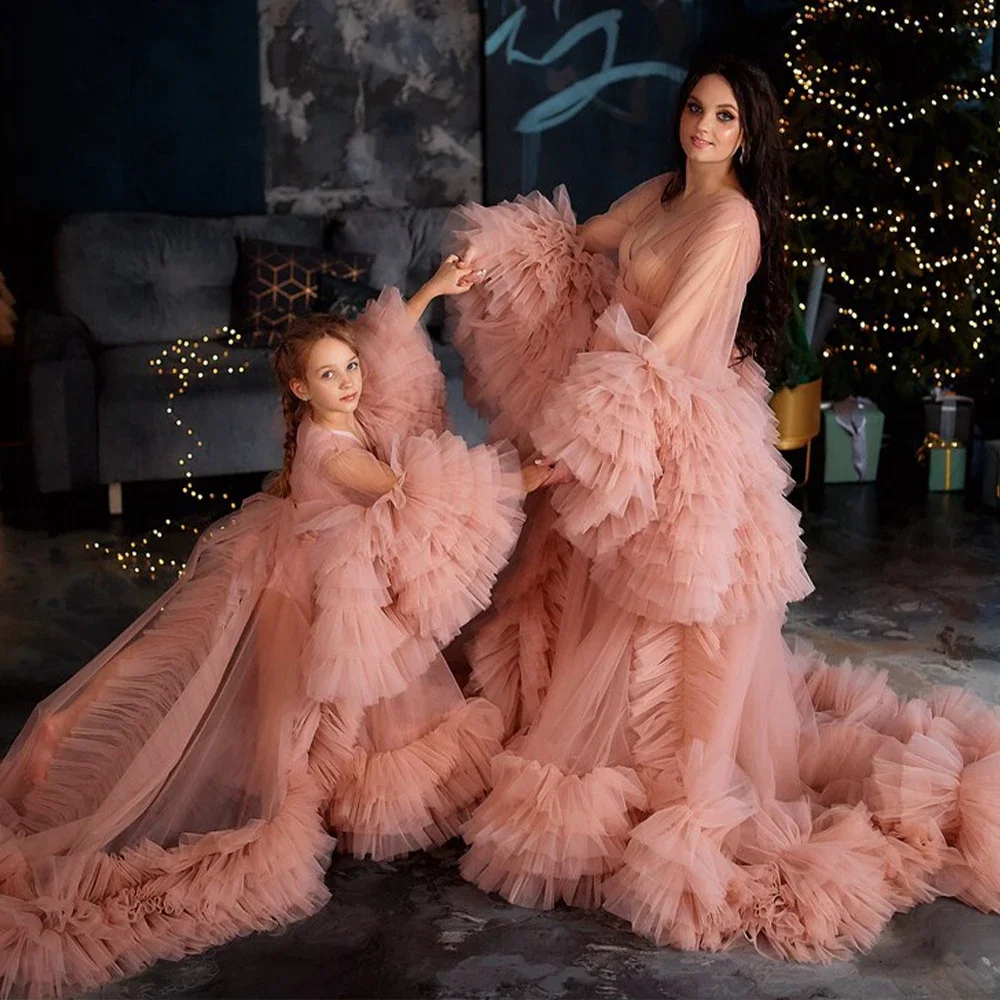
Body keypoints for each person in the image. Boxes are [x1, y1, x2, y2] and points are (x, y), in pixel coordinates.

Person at [444, 55, 1000, 961]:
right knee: (592, 599)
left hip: (673, 420)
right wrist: (497, 254)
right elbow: (591, 235)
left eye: (726, 119)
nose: (704, 128)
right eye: (697, 111)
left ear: (750, 135)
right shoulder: (666, 187)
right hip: (631, 398)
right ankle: (617, 751)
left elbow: (670, 342)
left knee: (665, 619)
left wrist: (597, 436)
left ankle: (668, 781)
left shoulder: (733, 218)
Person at [0, 256, 550, 998]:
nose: (350, 381)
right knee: (245, 698)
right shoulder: (334, 452)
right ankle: (78, 737)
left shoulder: (351, 411)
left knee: (321, 696)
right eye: (329, 375)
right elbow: (424, 495)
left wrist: (427, 291)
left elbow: (386, 353)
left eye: (348, 367)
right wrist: (524, 479)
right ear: (298, 388)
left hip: (310, 569)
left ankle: (88, 725)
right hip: (310, 591)